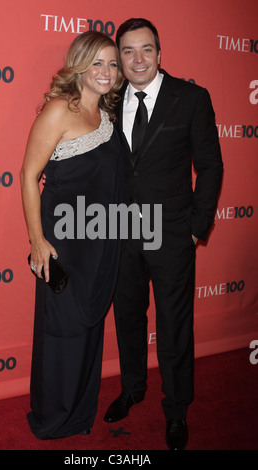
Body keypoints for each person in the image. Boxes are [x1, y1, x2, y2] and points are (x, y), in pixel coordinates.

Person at [103, 18, 223, 450]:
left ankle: (177, 409)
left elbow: (211, 166)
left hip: (171, 234)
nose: (138, 59)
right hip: (121, 232)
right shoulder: (108, 101)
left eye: (146, 49)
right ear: (119, 58)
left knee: (174, 326)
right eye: (128, 51)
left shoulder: (191, 98)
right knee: (128, 318)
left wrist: (195, 228)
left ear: (160, 52)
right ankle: (133, 388)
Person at [20, 31, 123, 439]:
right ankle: (53, 417)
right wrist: (36, 240)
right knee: (61, 330)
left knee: (89, 328)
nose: (107, 71)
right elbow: (29, 176)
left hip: (100, 243)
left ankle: (80, 413)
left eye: (113, 63)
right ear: (78, 65)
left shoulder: (109, 118)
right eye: (97, 62)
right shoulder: (59, 110)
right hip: (63, 244)